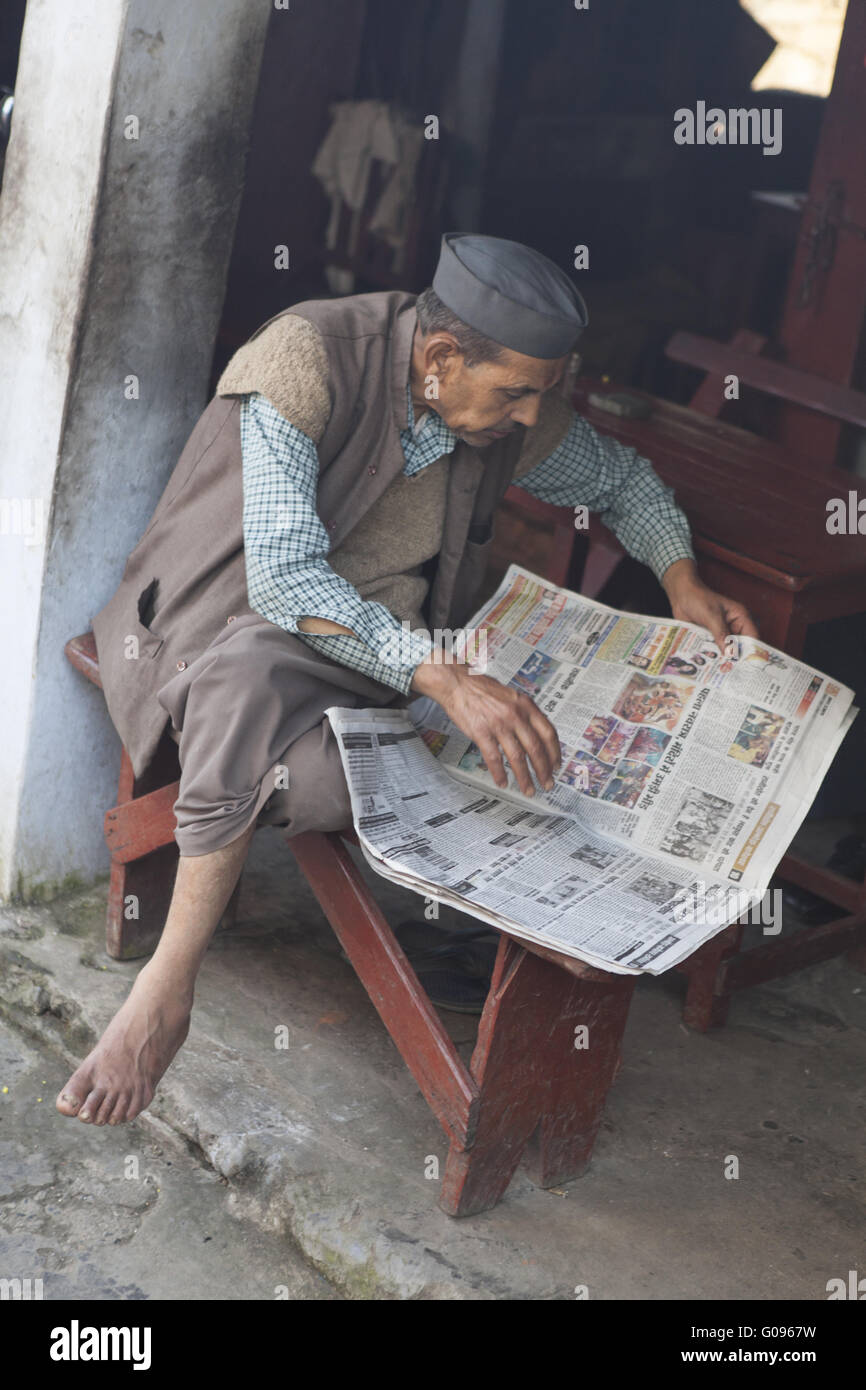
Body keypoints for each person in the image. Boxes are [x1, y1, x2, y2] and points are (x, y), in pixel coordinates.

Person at [56, 233, 756, 1127]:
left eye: (544, 393)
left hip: (376, 657)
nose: (534, 417)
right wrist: (441, 673)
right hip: (222, 622)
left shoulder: (503, 416)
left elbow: (623, 480)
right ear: (439, 358)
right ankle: (168, 986)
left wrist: (679, 575)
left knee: (325, 777)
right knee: (246, 684)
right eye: (517, 392)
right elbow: (283, 580)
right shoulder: (305, 357)